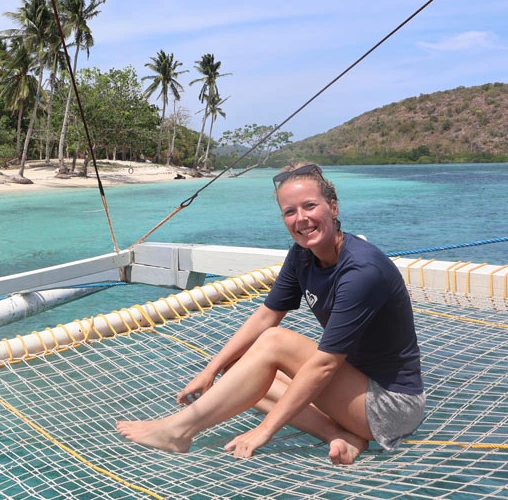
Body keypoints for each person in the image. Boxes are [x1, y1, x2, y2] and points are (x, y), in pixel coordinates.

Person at [116, 162, 424, 464]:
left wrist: (264, 431)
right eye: (290, 212)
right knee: (239, 364)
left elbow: (325, 366)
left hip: (391, 408)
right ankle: (339, 434)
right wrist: (211, 369)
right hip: (355, 393)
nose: (301, 219)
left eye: (310, 206)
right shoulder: (303, 254)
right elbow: (267, 314)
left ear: (333, 208)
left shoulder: (361, 270)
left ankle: (177, 431)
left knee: (275, 343)